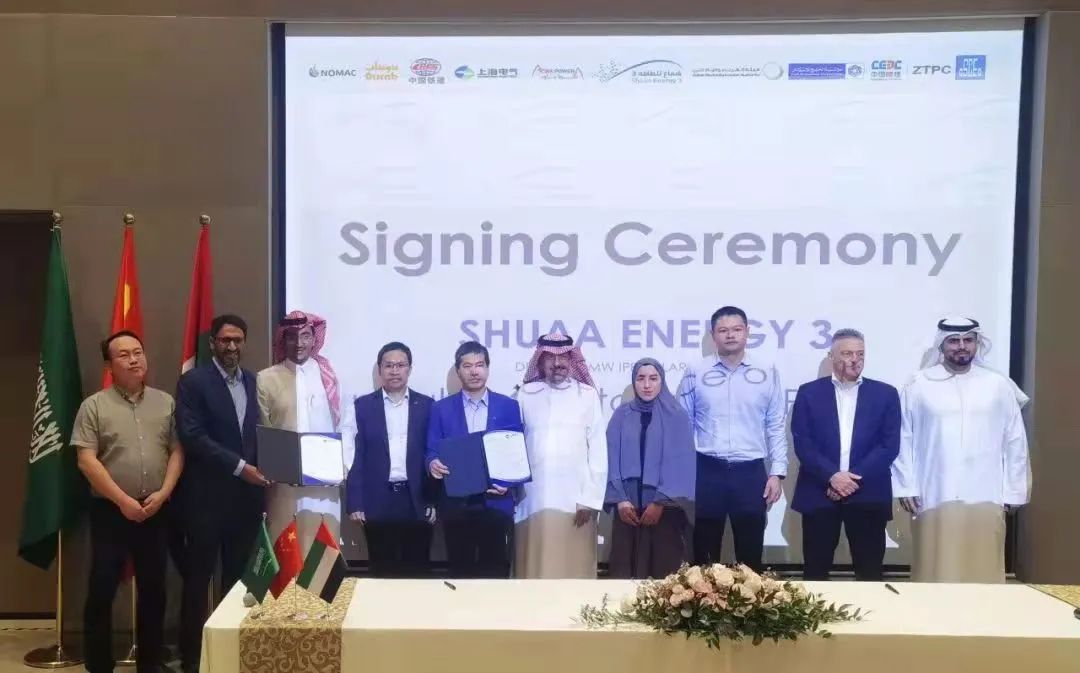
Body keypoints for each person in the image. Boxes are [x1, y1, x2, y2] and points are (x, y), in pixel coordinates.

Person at [73, 331, 183, 673]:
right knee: (102, 588)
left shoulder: (166, 402)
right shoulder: (94, 406)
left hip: (156, 509)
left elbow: (177, 450)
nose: (134, 359)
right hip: (111, 510)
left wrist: (164, 493)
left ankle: (150, 664)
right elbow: (86, 460)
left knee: (154, 589)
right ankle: (98, 665)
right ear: (109, 365)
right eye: (124, 355)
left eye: (138, 352)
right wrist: (122, 501)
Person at [892, 317, 1030, 583]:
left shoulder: (997, 385)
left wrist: (1014, 489)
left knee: (982, 565)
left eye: (968, 340)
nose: (962, 346)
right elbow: (903, 438)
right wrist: (906, 486)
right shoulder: (918, 384)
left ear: (978, 343)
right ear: (941, 345)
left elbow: (1015, 439)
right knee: (936, 565)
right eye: (954, 341)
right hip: (934, 493)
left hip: (986, 493)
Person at [175, 314, 270, 673]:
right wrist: (240, 467)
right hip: (205, 500)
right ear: (212, 342)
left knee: (239, 581)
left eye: (238, 340)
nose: (232, 346)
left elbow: (260, 434)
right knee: (198, 580)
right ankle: (193, 658)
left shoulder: (254, 381)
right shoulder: (193, 382)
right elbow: (192, 435)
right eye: (225, 340)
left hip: (247, 502)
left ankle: (233, 654)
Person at [677, 306, 787, 571]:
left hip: (751, 472)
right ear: (713, 335)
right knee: (704, 555)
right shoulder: (696, 371)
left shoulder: (767, 370)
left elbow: (775, 424)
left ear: (747, 332)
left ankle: (751, 599)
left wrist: (777, 473)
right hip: (707, 469)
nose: (730, 335)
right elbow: (683, 425)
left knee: (750, 556)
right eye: (723, 330)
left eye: (737, 329)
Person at [790, 328, 900, 581]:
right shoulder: (809, 392)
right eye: (848, 353)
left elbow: (889, 445)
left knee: (870, 572)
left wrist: (850, 480)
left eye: (860, 354)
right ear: (831, 356)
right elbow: (803, 442)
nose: (855, 360)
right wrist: (832, 477)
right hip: (820, 492)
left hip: (868, 494)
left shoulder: (885, 394)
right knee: (816, 572)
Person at [426, 341, 524, 578]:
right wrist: (432, 464)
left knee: (495, 572)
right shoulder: (441, 409)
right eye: (467, 366)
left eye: (480, 365)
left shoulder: (508, 406)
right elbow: (431, 450)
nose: (474, 371)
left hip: (496, 503)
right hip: (456, 505)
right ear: (458, 370)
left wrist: (508, 482)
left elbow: (517, 453)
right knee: (461, 572)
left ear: (487, 368)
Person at [257, 311, 353, 548]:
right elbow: (265, 431)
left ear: (314, 339)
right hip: (283, 486)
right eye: (292, 337)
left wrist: (342, 466)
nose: (299, 343)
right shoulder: (266, 379)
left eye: (306, 336)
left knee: (323, 551)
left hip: (324, 486)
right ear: (284, 339)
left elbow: (347, 425)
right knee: (286, 550)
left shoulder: (331, 377)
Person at [515, 332, 607, 579]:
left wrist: (590, 498)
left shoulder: (587, 395)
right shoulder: (526, 394)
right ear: (540, 361)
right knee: (534, 568)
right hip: (533, 499)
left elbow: (598, 450)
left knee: (573, 570)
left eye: (564, 357)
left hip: (576, 500)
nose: (557, 364)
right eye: (550, 358)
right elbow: (515, 445)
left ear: (572, 360)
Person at [346, 342, 435, 577]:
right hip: (377, 500)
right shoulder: (362, 406)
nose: (394, 371)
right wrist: (355, 502)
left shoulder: (427, 406)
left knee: (417, 572)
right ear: (380, 370)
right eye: (388, 366)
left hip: (416, 500)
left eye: (400, 365)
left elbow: (433, 454)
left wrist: (433, 500)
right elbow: (354, 455)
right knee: (382, 571)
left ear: (410, 369)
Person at [605, 358, 696, 579]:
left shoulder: (677, 415)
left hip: (666, 510)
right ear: (634, 382)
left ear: (661, 381)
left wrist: (659, 503)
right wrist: (620, 500)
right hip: (628, 509)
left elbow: (682, 463)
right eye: (641, 378)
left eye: (653, 379)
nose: (647, 385)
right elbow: (610, 458)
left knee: (664, 572)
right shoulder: (621, 415)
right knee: (624, 572)